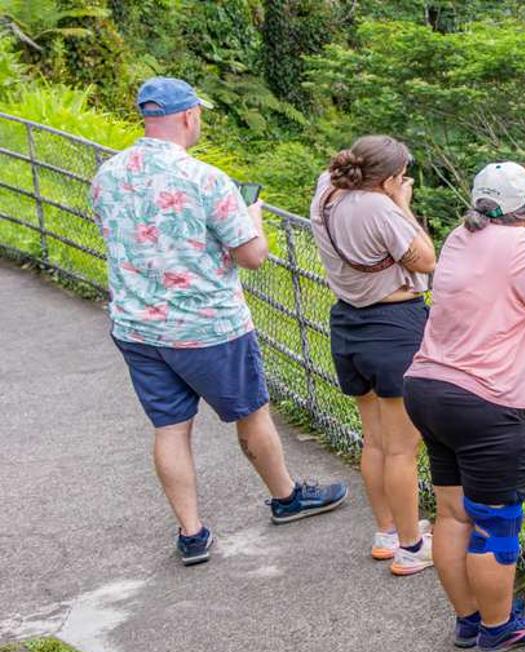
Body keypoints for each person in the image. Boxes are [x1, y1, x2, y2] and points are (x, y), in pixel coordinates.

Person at [89, 76, 347, 565]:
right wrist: (254, 217)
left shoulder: (108, 174)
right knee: (251, 413)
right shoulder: (206, 179)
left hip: (138, 325)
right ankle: (286, 497)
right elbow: (252, 256)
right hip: (208, 326)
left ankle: (192, 533)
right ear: (189, 116)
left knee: (171, 428)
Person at [403, 162, 525, 652]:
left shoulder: (460, 236)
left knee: (451, 514)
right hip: (488, 401)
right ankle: (499, 626)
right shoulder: (520, 243)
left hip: (430, 387)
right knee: (495, 522)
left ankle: (471, 619)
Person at [310, 135, 436, 576]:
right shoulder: (380, 208)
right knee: (402, 449)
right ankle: (411, 547)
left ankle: (387, 532)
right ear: (388, 179)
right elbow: (426, 259)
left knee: (375, 440)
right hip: (392, 325)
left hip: (348, 323)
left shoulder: (326, 189)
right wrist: (402, 204)